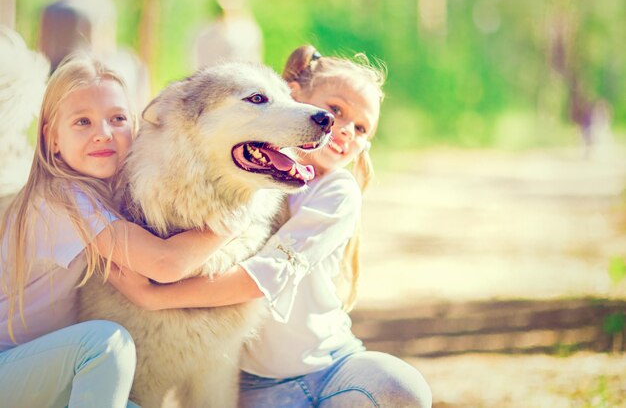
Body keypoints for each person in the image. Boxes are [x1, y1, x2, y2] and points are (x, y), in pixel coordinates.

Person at [109, 45, 433, 408]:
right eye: (335, 111)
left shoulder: (336, 191)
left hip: (328, 371)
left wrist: (155, 296)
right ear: (296, 97)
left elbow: (260, 278)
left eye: (360, 128)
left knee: (401, 388)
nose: (340, 129)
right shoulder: (261, 177)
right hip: (260, 391)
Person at [0, 54, 231, 408]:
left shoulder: (106, 195)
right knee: (107, 344)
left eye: (118, 118)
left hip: (42, 368)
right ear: (53, 138)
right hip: (9, 366)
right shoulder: (62, 199)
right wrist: (236, 218)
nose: (103, 134)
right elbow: (164, 264)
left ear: (136, 125)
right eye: (82, 122)